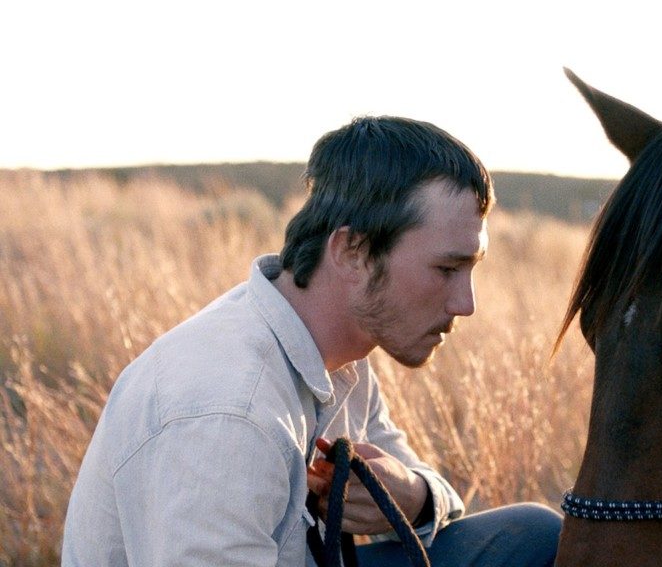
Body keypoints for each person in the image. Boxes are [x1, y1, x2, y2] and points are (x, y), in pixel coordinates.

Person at [62, 116, 562, 566]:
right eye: (447, 269)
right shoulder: (228, 412)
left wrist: (411, 496)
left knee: (534, 536)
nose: (466, 304)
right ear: (353, 252)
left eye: (471, 269)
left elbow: (432, 500)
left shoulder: (343, 355)